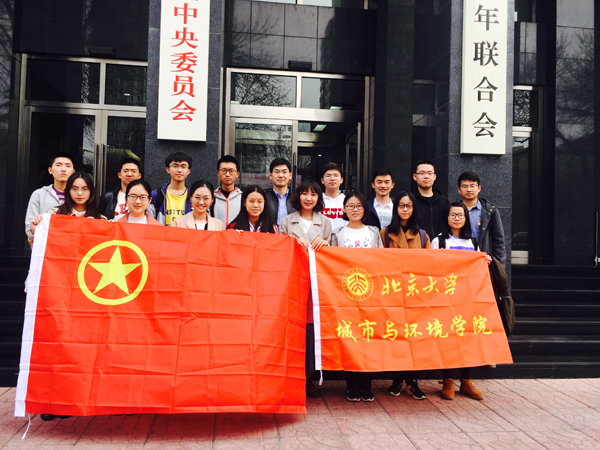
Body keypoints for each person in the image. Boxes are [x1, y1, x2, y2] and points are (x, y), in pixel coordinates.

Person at [431, 202, 491, 401]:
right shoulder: (439, 241)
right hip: (446, 297)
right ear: (446, 218)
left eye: (460, 215)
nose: (457, 218)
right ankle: (447, 380)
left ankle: (466, 380)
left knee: (468, 338)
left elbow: (477, 269)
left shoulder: (472, 242)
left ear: (466, 218)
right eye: (453, 215)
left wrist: (485, 261)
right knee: (447, 339)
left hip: (468, 298)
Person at [280, 180, 332, 399]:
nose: (308, 198)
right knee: (293, 330)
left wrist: (326, 245)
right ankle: (292, 377)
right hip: (293, 283)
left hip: (316, 286)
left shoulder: (326, 223)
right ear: (297, 196)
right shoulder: (287, 221)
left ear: (319, 198)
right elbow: (280, 252)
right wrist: (291, 242)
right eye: (304, 193)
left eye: (313, 194)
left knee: (312, 332)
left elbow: (332, 255)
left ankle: (308, 378)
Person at [330, 191, 383, 402]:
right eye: (350, 206)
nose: (355, 209)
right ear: (344, 209)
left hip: (370, 294)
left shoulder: (373, 232)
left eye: (359, 206)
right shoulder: (337, 233)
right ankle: (352, 385)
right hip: (346, 294)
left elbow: (382, 260)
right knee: (350, 339)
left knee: (368, 339)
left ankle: (366, 384)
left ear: (365, 209)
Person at [379, 191, 430, 400]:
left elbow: (430, 267)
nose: (405, 209)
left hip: (415, 295)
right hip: (391, 293)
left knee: (415, 339)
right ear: (396, 208)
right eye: (401, 205)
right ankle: (397, 379)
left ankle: (412, 381)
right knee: (396, 337)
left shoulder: (423, 236)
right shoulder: (384, 234)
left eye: (409, 206)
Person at [28, 171, 105, 245]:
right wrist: (35, 231)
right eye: (75, 189)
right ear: (68, 191)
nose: (79, 193)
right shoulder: (54, 214)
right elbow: (40, 247)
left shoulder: (100, 220)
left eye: (84, 189)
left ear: (91, 192)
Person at [458, 171, 506, 267]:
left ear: (479, 188)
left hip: (483, 262)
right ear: (459, 190)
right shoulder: (453, 211)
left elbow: (499, 241)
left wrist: (499, 266)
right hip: (460, 262)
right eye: (465, 186)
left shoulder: (490, 211)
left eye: (472, 186)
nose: (469, 189)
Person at [25, 152, 76, 238]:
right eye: (58, 165)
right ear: (50, 170)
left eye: (68, 166)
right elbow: (29, 228)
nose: (63, 169)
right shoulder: (39, 194)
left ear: (73, 172)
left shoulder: (79, 195)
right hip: (47, 244)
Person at [150, 152, 193, 226]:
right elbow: (149, 221)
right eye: (175, 166)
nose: (179, 170)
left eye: (183, 167)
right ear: (168, 169)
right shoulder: (156, 195)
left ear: (188, 171)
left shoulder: (193, 196)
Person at [411, 159, 450, 241]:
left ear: (434, 177)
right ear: (415, 177)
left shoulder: (443, 201)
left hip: (439, 245)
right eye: (422, 173)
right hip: (416, 244)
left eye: (429, 173)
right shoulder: (410, 199)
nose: (426, 176)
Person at [214, 155, 243, 226]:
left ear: (237, 174)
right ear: (218, 173)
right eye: (223, 170)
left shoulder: (243, 198)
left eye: (231, 171)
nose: (227, 174)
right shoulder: (211, 197)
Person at [266, 158, 294, 226]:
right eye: (277, 172)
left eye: (284, 172)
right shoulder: (264, 199)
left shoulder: (297, 199)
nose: (281, 175)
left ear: (290, 175)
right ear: (270, 175)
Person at [320, 162, 347, 230]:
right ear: (322, 180)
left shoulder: (347, 201)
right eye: (328, 176)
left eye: (336, 175)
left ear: (341, 180)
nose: (332, 178)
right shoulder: (317, 200)